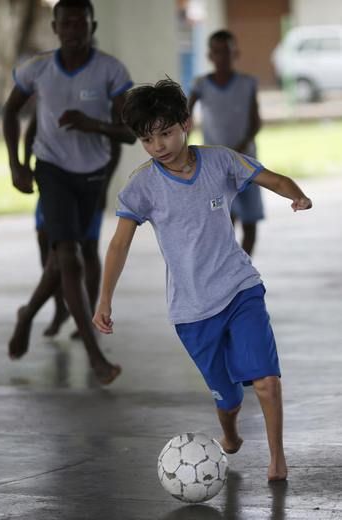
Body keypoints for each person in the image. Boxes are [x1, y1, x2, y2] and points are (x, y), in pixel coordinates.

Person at [93, 79, 312, 479]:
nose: (158, 145)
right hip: (192, 310)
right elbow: (118, 246)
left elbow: (273, 179)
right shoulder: (143, 185)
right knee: (228, 397)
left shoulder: (220, 161)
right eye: (147, 139)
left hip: (240, 287)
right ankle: (229, 431)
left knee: (265, 379)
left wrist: (297, 195)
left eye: (165, 133)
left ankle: (277, 460)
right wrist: (104, 299)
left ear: (185, 124)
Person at [2, 0, 136, 385]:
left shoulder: (111, 70)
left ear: (92, 25)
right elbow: (11, 112)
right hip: (52, 169)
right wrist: (16, 164)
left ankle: (27, 314)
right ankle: (96, 357)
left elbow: (129, 132)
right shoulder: (38, 68)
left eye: (82, 23)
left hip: (91, 175)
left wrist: (93, 124)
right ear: (55, 26)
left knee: (69, 259)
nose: (75, 29)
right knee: (68, 256)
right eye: (67, 23)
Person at [25, 114, 122, 338]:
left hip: (89, 184)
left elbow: (116, 142)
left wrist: (104, 185)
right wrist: (22, 163)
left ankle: (88, 317)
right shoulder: (47, 88)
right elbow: (32, 129)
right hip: (54, 181)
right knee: (48, 244)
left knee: (87, 248)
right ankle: (60, 308)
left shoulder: (100, 94)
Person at [188, 29, 263, 255]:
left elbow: (255, 122)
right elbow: (185, 118)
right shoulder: (201, 84)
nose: (222, 57)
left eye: (227, 52)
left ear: (235, 53)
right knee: (223, 219)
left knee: (250, 221)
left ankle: (244, 266)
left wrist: (240, 147)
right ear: (210, 56)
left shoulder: (248, 83)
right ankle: (227, 267)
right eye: (217, 52)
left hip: (245, 160)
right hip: (215, 165)